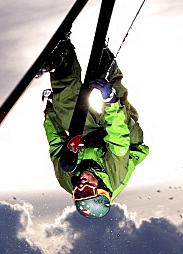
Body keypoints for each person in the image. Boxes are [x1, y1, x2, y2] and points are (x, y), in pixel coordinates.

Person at [41, 37, 149, 218]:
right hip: (124, 141)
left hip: (90, 137)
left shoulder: (67, 179)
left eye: (78, 194)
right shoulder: (115, 173)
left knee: (67, 108)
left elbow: (56, 145)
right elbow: (118, 137)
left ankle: (62, 58)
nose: (81, 187)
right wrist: (110, 101)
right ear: (101, 189)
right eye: (87, 191)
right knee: (118, 108)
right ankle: (106, 64)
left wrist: (51, 111)